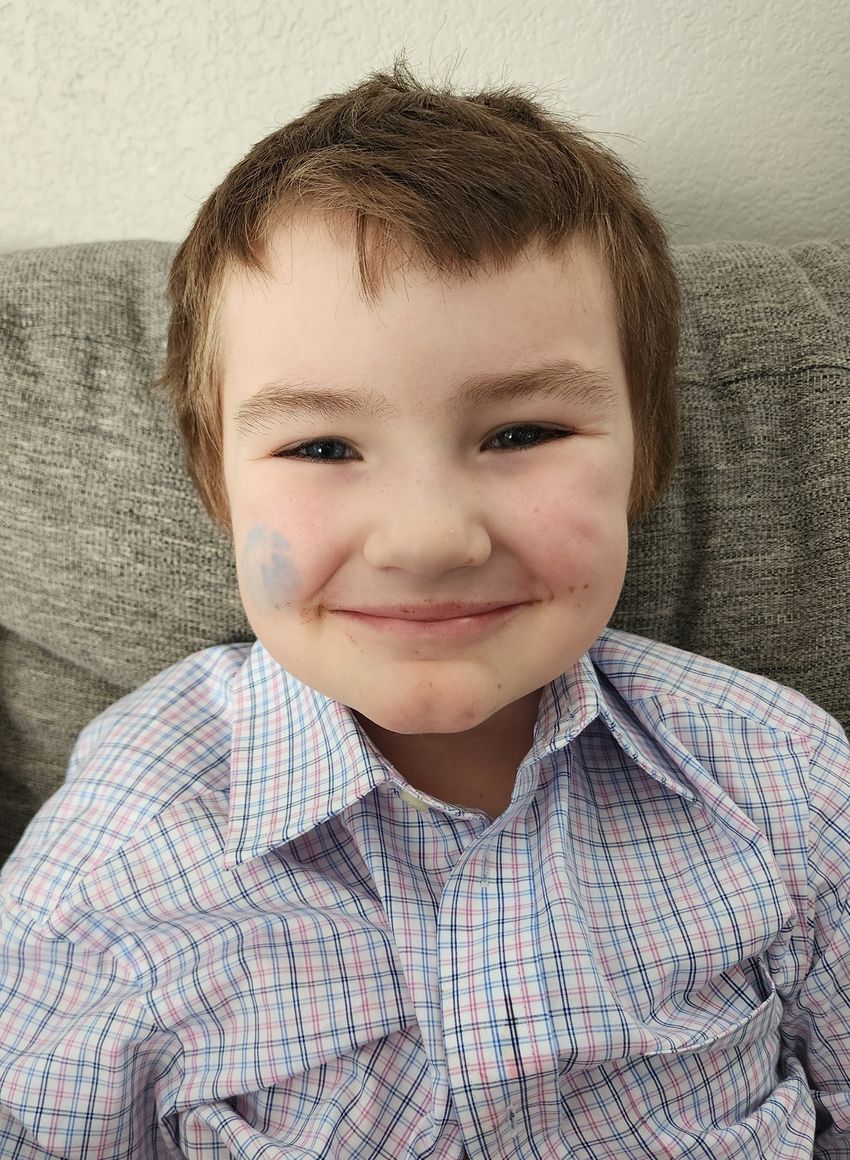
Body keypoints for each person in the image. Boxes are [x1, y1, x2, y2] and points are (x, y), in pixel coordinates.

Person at [1, 54, 848, 1160]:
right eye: (321, 446)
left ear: (646, 457)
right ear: (217, 485)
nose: (429, 536)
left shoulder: (782, 781)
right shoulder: (113, 864)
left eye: (521, 433)